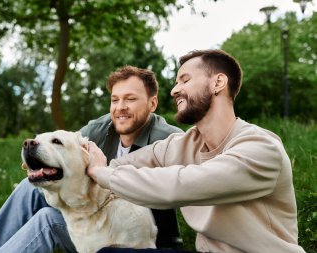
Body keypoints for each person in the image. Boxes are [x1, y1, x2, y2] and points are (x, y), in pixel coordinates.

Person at [87, 50, 306, 253]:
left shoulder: (261, 148)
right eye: (175, 83)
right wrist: (94, 165)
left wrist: (102, 174)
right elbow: (124, 163)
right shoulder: (185, 143)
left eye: (185, 80)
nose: (174, 90)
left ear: (218, 82)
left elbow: (177, 185)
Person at [0, 66, 183, 253]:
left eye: (130, 99)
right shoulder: (100, 128)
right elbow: (67, 148)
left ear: (152, 103)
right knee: (30, 187)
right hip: (93, 222)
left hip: (137, 237)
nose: (120, 107)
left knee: (47, 219)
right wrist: (39, 159)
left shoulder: (169, 139)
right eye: (114, 99)